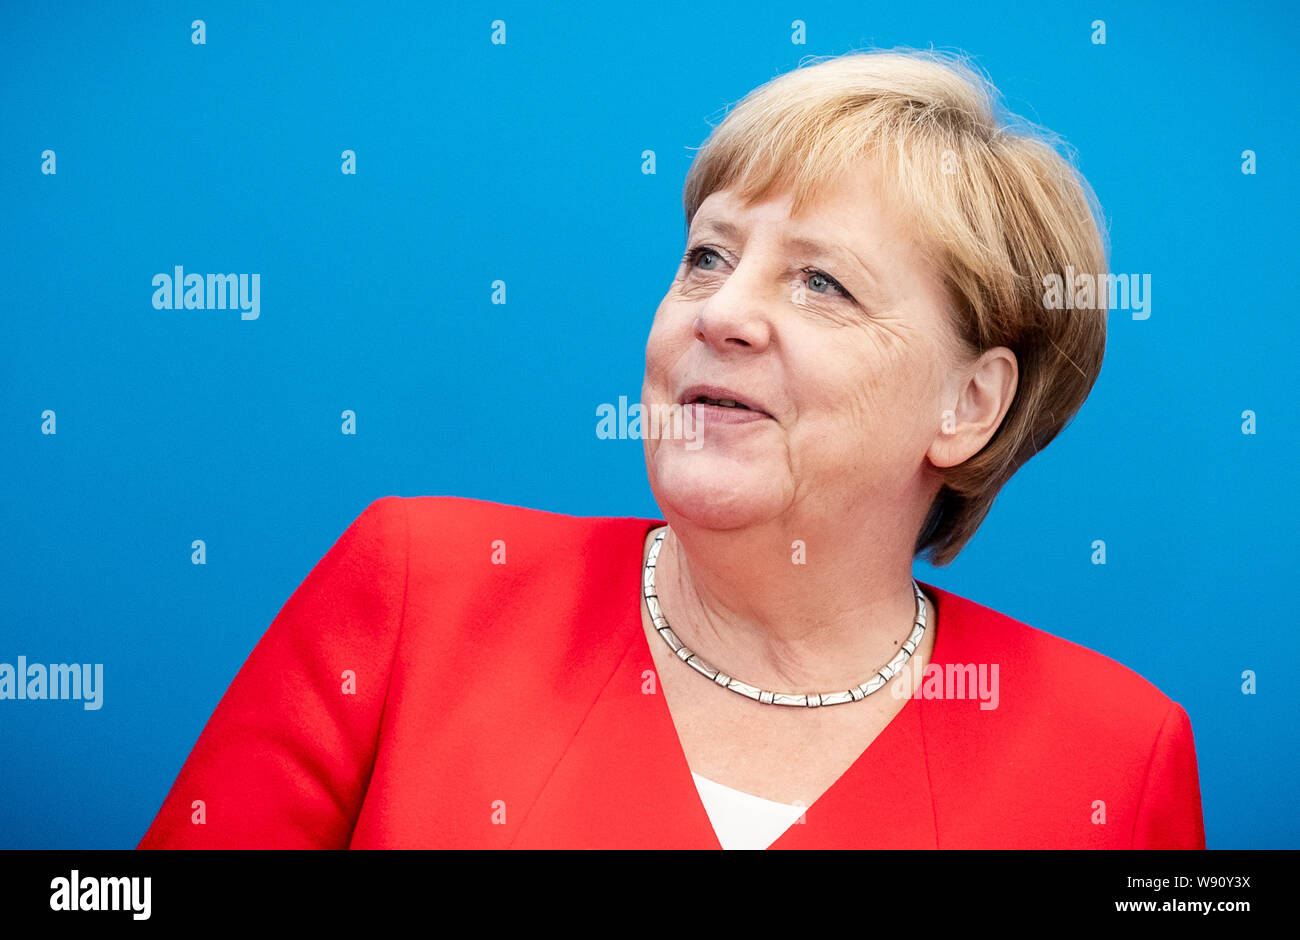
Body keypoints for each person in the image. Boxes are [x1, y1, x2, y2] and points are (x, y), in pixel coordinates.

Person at [138, 48, 1205, 849]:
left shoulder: (1118, 753)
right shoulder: (420, 586)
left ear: (968, 404)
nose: (721, 313)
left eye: (819, 282)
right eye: (707, 257)